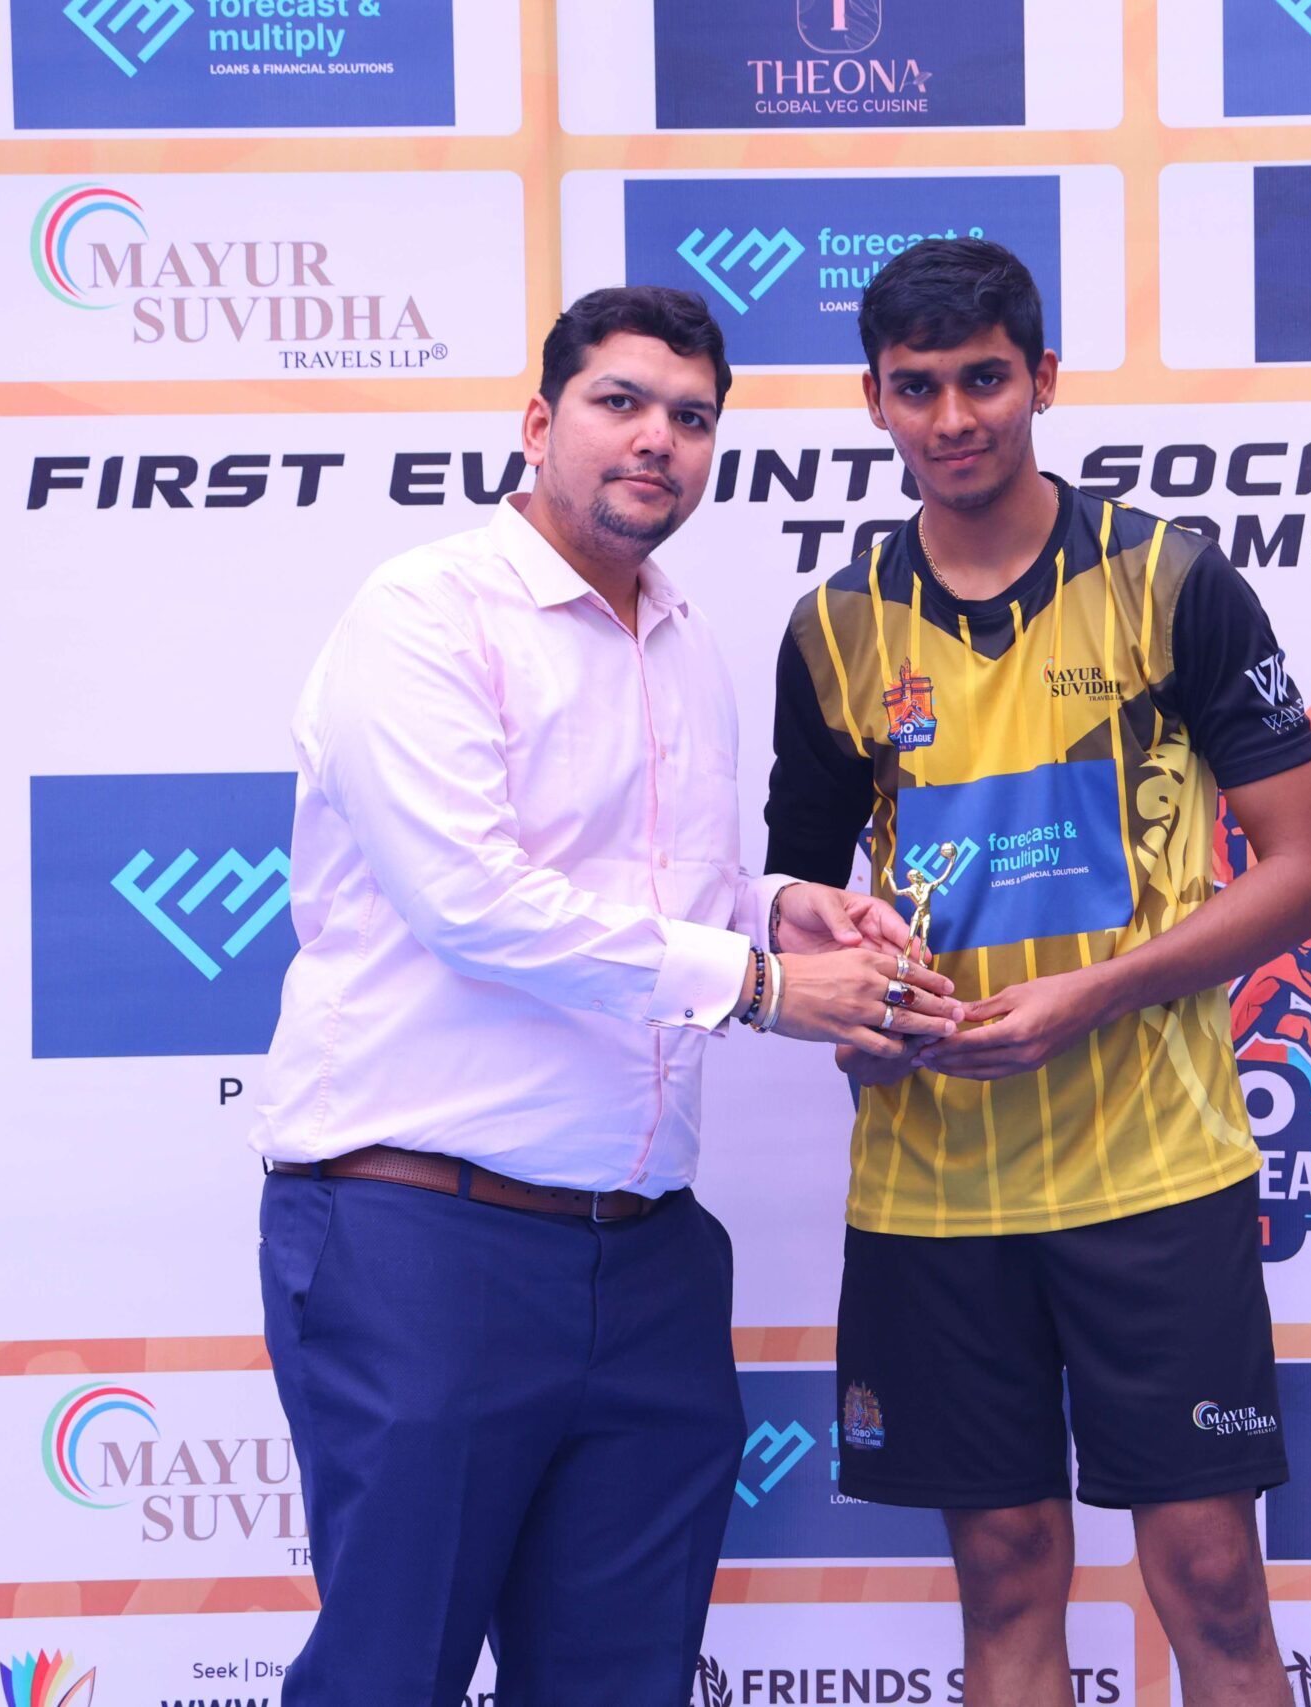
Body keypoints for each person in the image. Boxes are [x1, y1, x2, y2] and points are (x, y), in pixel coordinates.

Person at [248, 285, 959, 1706]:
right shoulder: (425, 614)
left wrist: (777, 904)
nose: (657, 440)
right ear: (538, 422)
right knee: (387, 1678)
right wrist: (764, 984)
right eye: (619, 403)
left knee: (621, 1684)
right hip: (423, 1231)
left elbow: (657, 888)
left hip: (646, 1256)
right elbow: (475, 902)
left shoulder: (685, 641)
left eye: (691, 418)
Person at [763, 238, 1311, 1707]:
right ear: (873, 400)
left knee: (1214, 1585)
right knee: (1008, 1577)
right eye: (917, 387)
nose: (953, 417)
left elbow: (1310, 871)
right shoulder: (833, 628)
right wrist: (851, 1013)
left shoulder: (1171, 579)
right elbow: (788, 906)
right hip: (935, 1188)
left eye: (983, 379)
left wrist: (1093, 993)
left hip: (1153, 1169)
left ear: (1042, 378)